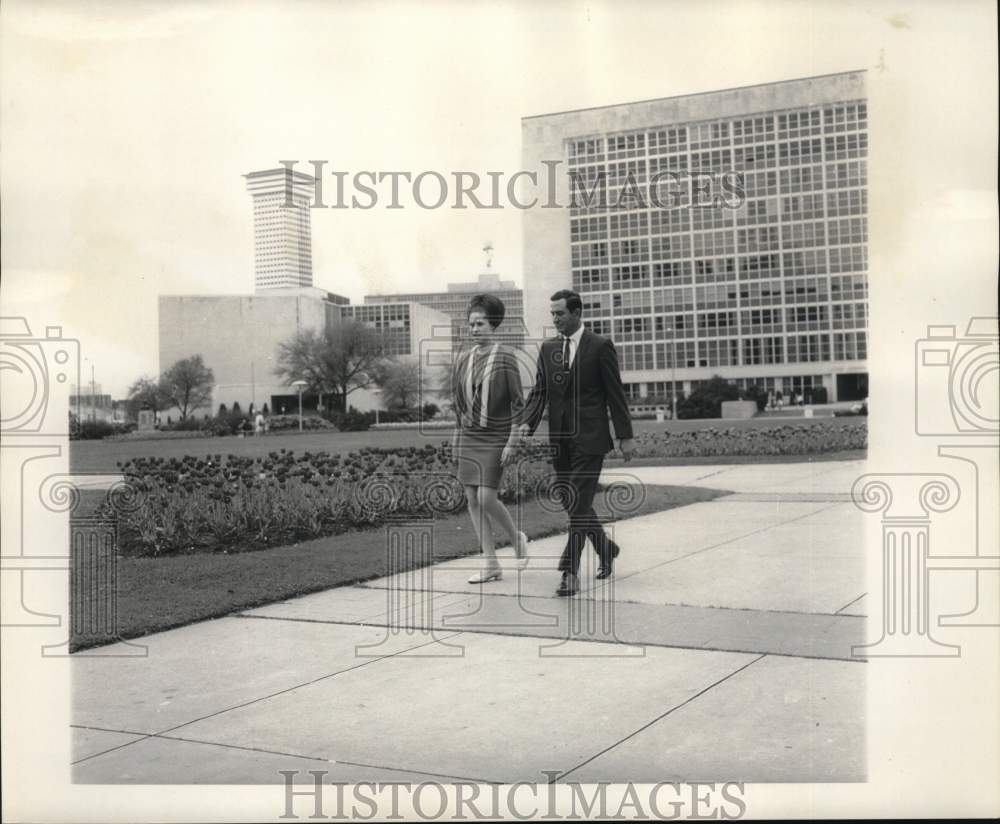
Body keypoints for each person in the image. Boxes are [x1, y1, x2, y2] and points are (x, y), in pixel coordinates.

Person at [518, 289, 634, 597]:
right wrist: (525, 424)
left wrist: (625, 435)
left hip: (592, 438)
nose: (554, 319)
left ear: (577, 312)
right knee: (572, 501)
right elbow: (539, 392)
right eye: (552, 313)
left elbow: (615, 393)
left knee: (579, 503)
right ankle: (605, 548)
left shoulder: (600, 346)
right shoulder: (548, 349)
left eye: (560, 313)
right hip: (561, 440)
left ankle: (569, 572)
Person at [452, 294, 530, 584]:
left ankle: (516, 538)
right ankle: (491, 563)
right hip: (469, 436)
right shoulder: (463, 359)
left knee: (486, 496)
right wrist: (456, 438)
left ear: (493, 324)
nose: (474, 329)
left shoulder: (506, 356)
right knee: (472, 498)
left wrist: (512, 442)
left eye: (480, 323)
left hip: (497, 435)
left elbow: (518, 404)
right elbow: (459, 404)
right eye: (471, 324)